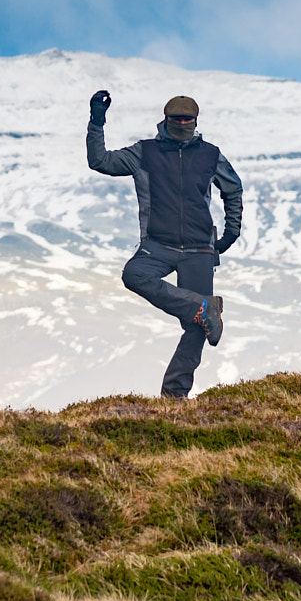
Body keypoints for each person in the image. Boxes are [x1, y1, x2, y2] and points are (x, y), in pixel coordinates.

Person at [86, 89, 244, 399]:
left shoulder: (211, 154)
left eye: (187, 120)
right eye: (176, 119)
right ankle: (201, 306)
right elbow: (100, 161)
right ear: (165, 120)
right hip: (157, 245)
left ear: (196, 121)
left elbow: (233, 189)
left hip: (199, 247)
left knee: (197, 328)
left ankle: (174, 395)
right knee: (134, 275)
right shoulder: (144, 152)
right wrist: (97, 121)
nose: (182, 123)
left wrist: (230, 234)